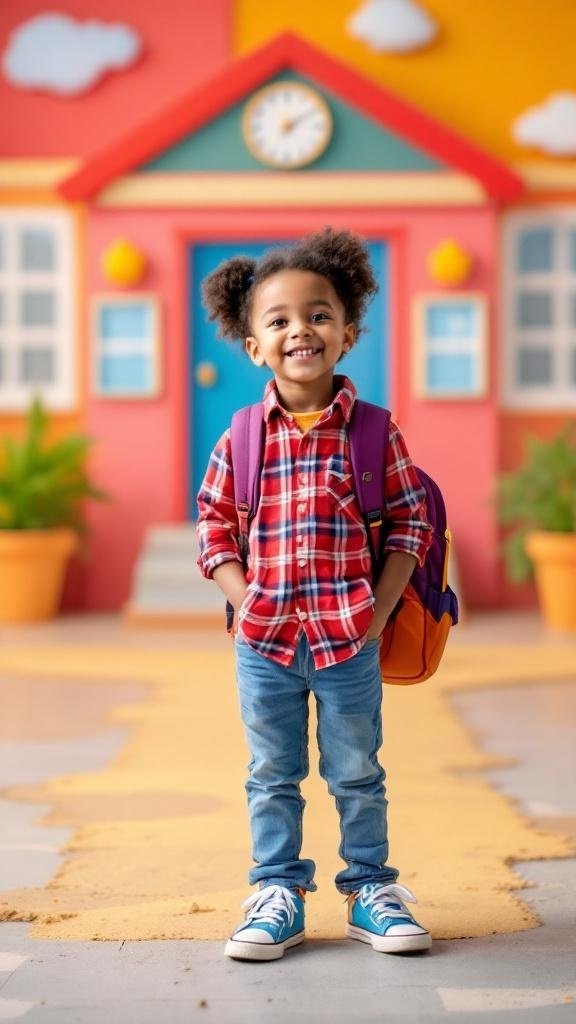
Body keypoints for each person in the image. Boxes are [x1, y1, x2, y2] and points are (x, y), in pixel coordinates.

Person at [196, 227, 433, 962]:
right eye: (279, 319)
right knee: (272, 772)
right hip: (265, 644)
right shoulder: (240, 438)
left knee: (357, 768)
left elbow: (411, 523)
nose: (301, 328)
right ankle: (275, 892)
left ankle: (370, 889)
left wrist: (382, 611)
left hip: (348, 639)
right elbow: (211, 528)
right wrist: (247, 600)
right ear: (254, 346)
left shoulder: (374, 433)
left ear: (349, 331)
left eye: (319, 313)